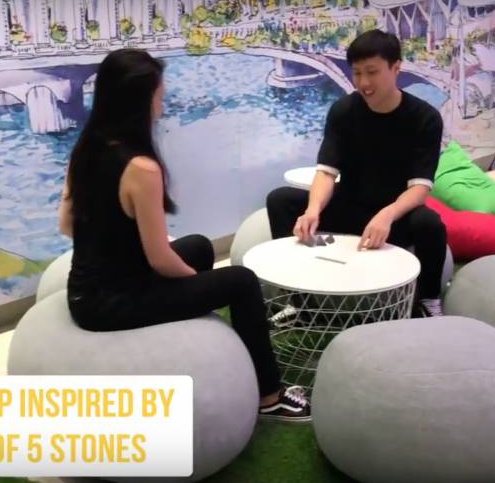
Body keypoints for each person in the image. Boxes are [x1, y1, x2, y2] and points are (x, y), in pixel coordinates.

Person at [58, 49, 310, 422]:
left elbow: (66, 225)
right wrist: (196, 282)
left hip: (84, 291)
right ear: (141, 101)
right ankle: (270, 396)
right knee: (240, 282)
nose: (162, 103)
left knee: (198, 246)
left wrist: (117, 241)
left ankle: (199, 336)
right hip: (113, 304)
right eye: (159, 94)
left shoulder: (86, 148)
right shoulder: (141, 168)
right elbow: (160, 259)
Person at [266, 30, 448, 317]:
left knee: (430, 224)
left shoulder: (424, 118)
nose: (363, 83)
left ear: (396, 68)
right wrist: (313, 210)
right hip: (350, 206)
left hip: (394, 216)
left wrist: (387, 214)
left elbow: (420, 188)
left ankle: (428, 299)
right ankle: (301, 302)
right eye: (357, 73)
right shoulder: (343, 110)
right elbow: (326, 172)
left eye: (372, 72)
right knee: (280, 200)